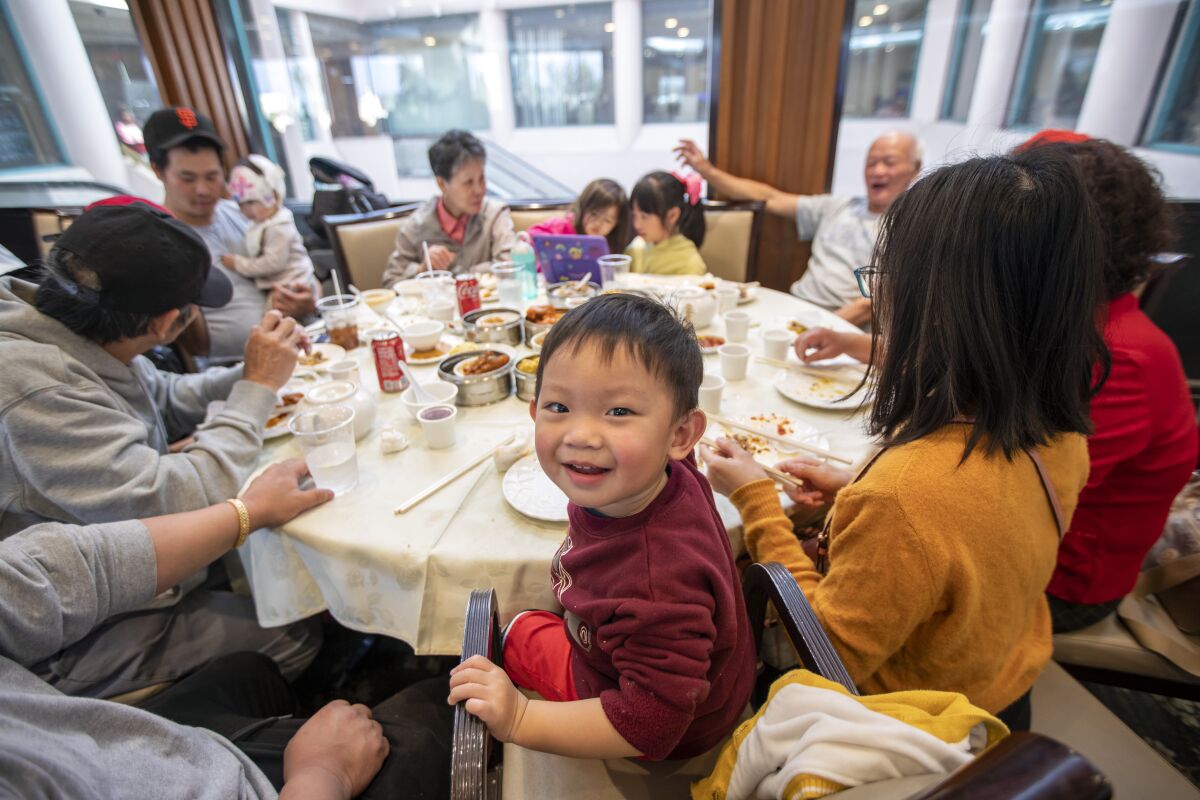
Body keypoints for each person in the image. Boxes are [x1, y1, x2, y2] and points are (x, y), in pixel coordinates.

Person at [700, 148, 1108, 732]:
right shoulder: (1061, 433)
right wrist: (850, 489)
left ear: (938, 307)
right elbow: (966, 537)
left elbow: (829, 656)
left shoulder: (905, 494)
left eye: (888, 279)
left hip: (910, 720)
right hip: (1000, 684)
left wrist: (757, 501)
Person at [0, 200, 318, 697]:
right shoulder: (37, 388)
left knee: (275, 578)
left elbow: (165, 398)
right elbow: (174, 500)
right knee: (297, 631)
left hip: (141, 575)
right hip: (79, 631)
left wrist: (258, 370)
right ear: (169, 322)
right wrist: (256, 387)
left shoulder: (73, 323)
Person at [0, 459, 454, 799]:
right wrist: (321, 773)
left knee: (248, 671)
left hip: (126, 746)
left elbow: (75, 571)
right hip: (246, 787)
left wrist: (246, 512)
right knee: (443, 710)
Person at [448, 294, 756, 761]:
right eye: (558, 407)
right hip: (684, 670)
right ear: (533, 413)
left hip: (673, 726)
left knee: (516, 632)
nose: (581, 436)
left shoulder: (658, 581)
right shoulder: (653, 475)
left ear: (680, 436)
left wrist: (519, 718)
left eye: (618, 412)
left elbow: (652, 725)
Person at [1017, 131, 1199, 632]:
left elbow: (1022, 504)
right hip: (1038, 534)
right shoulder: (1081, 319)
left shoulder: (1117, 356)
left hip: (1066, 581)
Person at [674, 132, 921, 326]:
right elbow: (769, 197)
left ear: (915, 169)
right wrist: (706, 170)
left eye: (888, 163)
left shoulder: (912, 228)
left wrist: (827, 328)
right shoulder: (837, 206)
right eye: (871, 163)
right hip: (797, 309)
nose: (877, 171)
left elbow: (873, 303)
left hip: (845, 325)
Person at [145, 107, 317, 362]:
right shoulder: (160, 241)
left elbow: (301, 266)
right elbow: (194, 344)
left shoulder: (248, 212)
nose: (203, 189)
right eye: (188, 178)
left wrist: (309, 300)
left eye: (212, 176)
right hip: (236, 366)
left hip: (304, 342)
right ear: (158, 171)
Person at [382, 130, 516, 284]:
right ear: (441, 184)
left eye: (482, 178)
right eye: (468, 182)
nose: (479, 190)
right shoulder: (416, 226)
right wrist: (422, 270)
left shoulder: (494, 214)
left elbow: (510, 266)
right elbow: (391, 282)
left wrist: (457, 276)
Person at [222, 154, 316, 291]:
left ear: (275, 195)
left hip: (294, 285)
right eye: (241, 204)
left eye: (251, 202)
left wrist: (238, 263)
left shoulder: (278, 228)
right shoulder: (264, 224)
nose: (246, 210)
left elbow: (273, 263)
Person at [625, 171, 707, 276]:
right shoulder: (636, 248)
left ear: (672, 215)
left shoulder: (688, 262)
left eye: (644, 217)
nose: (637, 225)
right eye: (634, 215)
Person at [524, 177, 630, 255]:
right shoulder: (562, 226)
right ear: (584, 206)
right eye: (594, 214)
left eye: (607, 220)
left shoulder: (610, 246)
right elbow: (530, 237)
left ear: (617, 224)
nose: (598, 223)